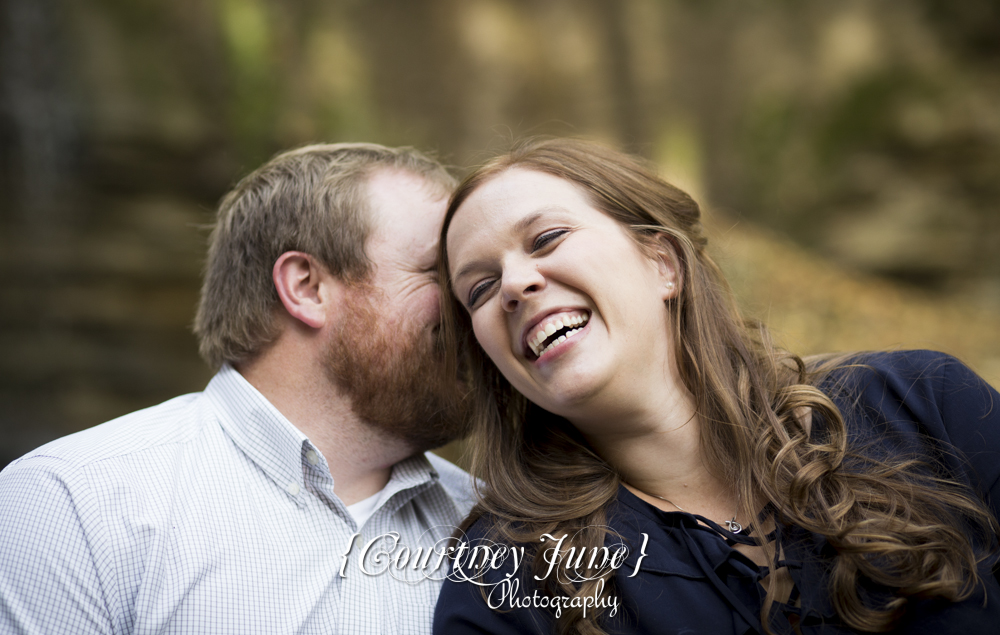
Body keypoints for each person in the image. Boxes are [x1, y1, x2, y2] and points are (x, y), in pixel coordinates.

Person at [433, 138, 1000, 634]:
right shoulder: (504, 583)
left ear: (663, 263)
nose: (514, 284)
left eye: (546, 237)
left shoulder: (925, 406)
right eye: (479, 289)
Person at [0, 143, 473, 634]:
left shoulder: (494, 523)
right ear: (307, 288)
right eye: (437, 272)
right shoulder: (71, 505)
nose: (476, 305)